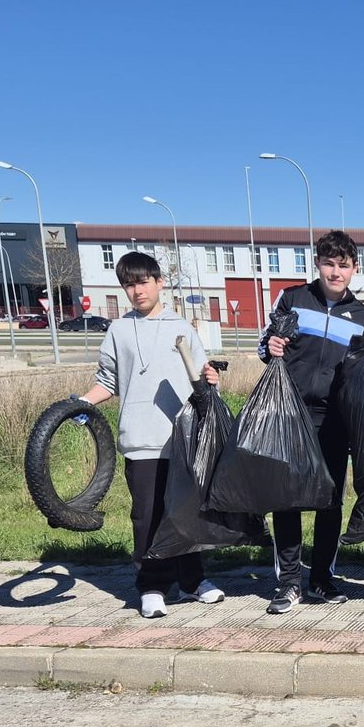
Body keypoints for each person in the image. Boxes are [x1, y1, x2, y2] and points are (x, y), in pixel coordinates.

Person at [77, 251, 224, 619]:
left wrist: (211, 381)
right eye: (129, 284)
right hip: (141, 440)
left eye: (143, 281)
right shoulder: (119, 330)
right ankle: (152, 587)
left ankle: (192, 581)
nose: (136, 290)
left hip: (183, 438)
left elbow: (200, 377)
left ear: (159, 283)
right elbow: (107, 381)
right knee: (147, 515)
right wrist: (80, 404)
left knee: (187, 512)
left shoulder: (182, 327)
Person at [256, 230, 364, 615]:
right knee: (285, 497)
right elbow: (266, 344)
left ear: (354, 269)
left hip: (335, 421)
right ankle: (289, 583)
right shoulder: (293, 299)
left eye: (343, 265)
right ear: (317, 264)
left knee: (329, 499)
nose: (335, 272)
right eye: (329, 263)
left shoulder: (363, 317)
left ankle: (321, 578)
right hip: (290, 413)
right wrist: (270, 346)